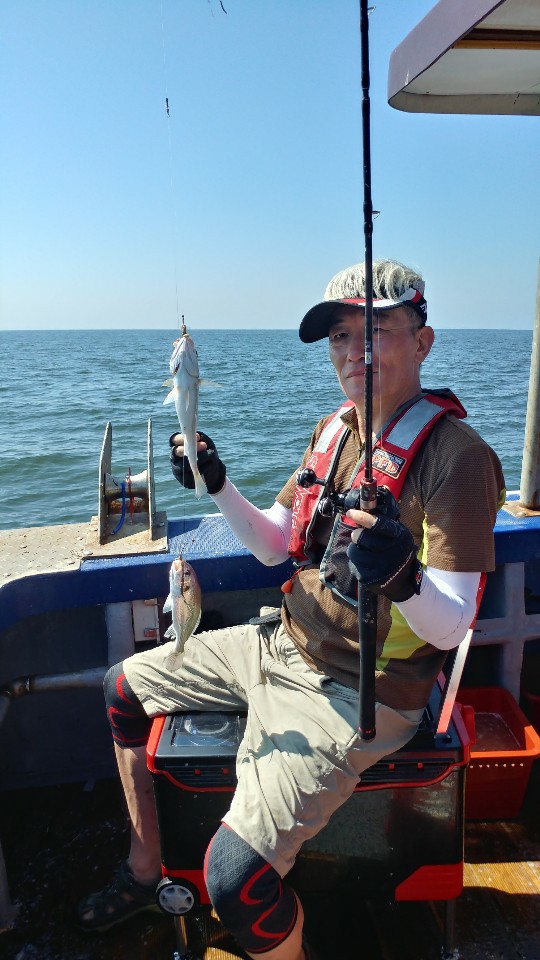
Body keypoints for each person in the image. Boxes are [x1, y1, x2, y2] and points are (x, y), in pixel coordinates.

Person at [77, 259, 505, 960]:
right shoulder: (334, 430)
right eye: (340, 336)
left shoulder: (458, 459)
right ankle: (145, 867)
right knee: (120, 688)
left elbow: (454, 623)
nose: (354, 352)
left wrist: (402, 578)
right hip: (281, 641)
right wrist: (218, 481)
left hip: (361, 692)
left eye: (376, 331)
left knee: (235, 879)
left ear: (423, 342)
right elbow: (276, 544)